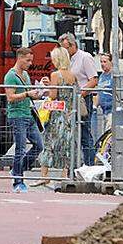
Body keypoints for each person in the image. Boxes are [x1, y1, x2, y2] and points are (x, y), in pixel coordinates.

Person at [3, 47, 43, 193]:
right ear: (19, 58)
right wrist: (27, 94)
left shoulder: (25, 74)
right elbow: (10, 97)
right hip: (17, 115)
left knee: (39, 145)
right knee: (20, 148)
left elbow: (29, 93)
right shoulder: (10, 76)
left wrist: (37, 93)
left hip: (28, 114)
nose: (30, 63)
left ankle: (17, 169)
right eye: (28, 60)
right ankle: (18, 181)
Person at [38, 46, 78, 180]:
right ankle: (65, 174)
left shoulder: (55, 74)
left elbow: (54, 95)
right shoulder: (72, 75)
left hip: (57, 115)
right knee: (66, 144)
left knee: (49, 143)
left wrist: (48, 86)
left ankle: (44, 175)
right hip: (69, 114)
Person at [58, 33, 98, 164]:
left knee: (85, 133)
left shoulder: (85, 57)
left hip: (82, 99)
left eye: (66, 48)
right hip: (69, 99)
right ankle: (73, 165)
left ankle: (89, 165)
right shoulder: (66, 60)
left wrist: (80, 95)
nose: (64, 51)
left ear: (73, 45)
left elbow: (93, 80)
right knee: (71, 134)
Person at [96, 53, 114, 135]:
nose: (102, 64)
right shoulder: (102, 76)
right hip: (103, 111)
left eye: (105, 61)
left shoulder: (114, 76)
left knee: (108, 133)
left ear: (111, 62)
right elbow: (99, 93)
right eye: (101, 62)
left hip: (112, 111)